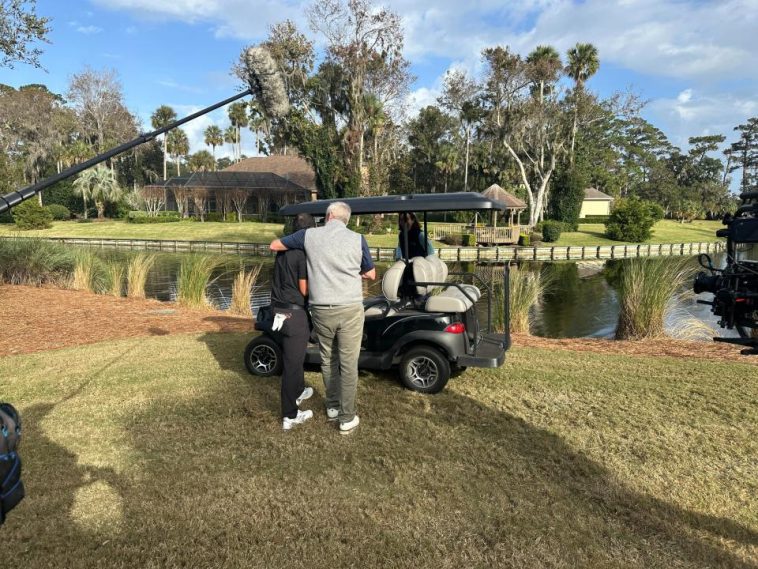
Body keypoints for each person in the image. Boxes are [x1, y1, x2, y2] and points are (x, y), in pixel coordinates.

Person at [270, 202, 376, 435]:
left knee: (328, 359)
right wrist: (349, 270)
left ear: (328, 216)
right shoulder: (358, 239)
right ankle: (346, 418)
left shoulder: (308, 235)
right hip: (349, 308)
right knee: (348, 364)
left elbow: (275, 245)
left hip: (321, 309)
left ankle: (332, 406)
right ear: (346, 220)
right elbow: (371, 273)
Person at [271, 213, 316, 431]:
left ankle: (299, 391)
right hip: (294, 313)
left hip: (278, 310)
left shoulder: (282, 251)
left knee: (294, 357)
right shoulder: (300, 254)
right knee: (291, 364)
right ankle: (290, 414)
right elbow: (303, 289)